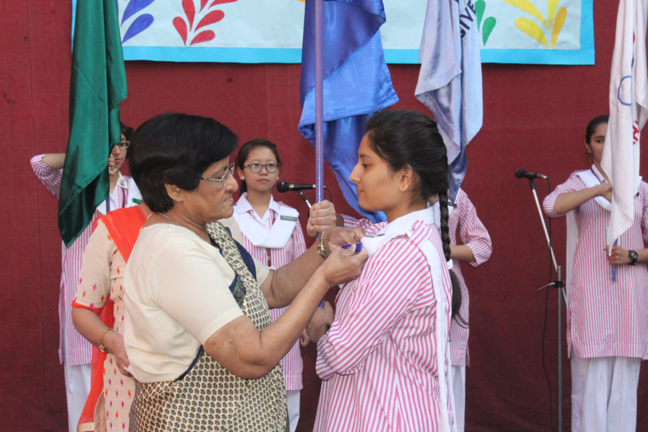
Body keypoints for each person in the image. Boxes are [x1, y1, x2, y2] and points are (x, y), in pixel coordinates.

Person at [122, 113, 366, 431]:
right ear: (176, 189)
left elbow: (272, 288)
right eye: (218, 177)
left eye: (228, 170)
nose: (233, 185)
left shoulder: (213, 228)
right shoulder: (172, 250)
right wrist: (325, 279)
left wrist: (322, 249)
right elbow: (253, 356)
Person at [312, 109, 456, 432]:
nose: (354, 175)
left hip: (382, 416)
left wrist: (320, 326)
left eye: (366, 164)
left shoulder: (401, 254)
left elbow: (340, 353)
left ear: (405, 178)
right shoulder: (406, 238)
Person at [30, 123, 141, 432]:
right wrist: (87, 158)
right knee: (83, 398)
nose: (115, 153)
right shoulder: (75, 189)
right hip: (86, 307)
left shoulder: (138, 191)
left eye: (121, 144)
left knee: (128, 393)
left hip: (127, 304)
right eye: (106, 145)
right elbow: (39, 164)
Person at [543, 115, 648, 432]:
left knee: (623, 387)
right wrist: (600, 189)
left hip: (630, 293)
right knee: (591, 381)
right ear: (588, 146)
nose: (606, 146)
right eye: (599, 140)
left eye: (612, 139)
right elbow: (552, 205)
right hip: (592, 293)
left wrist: (632, 255)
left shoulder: (640, 188)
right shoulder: (581, 181)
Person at [233, 138, 324, 432]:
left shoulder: (289, 217)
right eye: (255, 165)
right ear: (239, 172)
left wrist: (304, 319)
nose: (264, 171)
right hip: (242, 321)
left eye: (271, 166)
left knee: (287, 408)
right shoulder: (227, 219)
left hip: (286, 321)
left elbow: (304, 270)